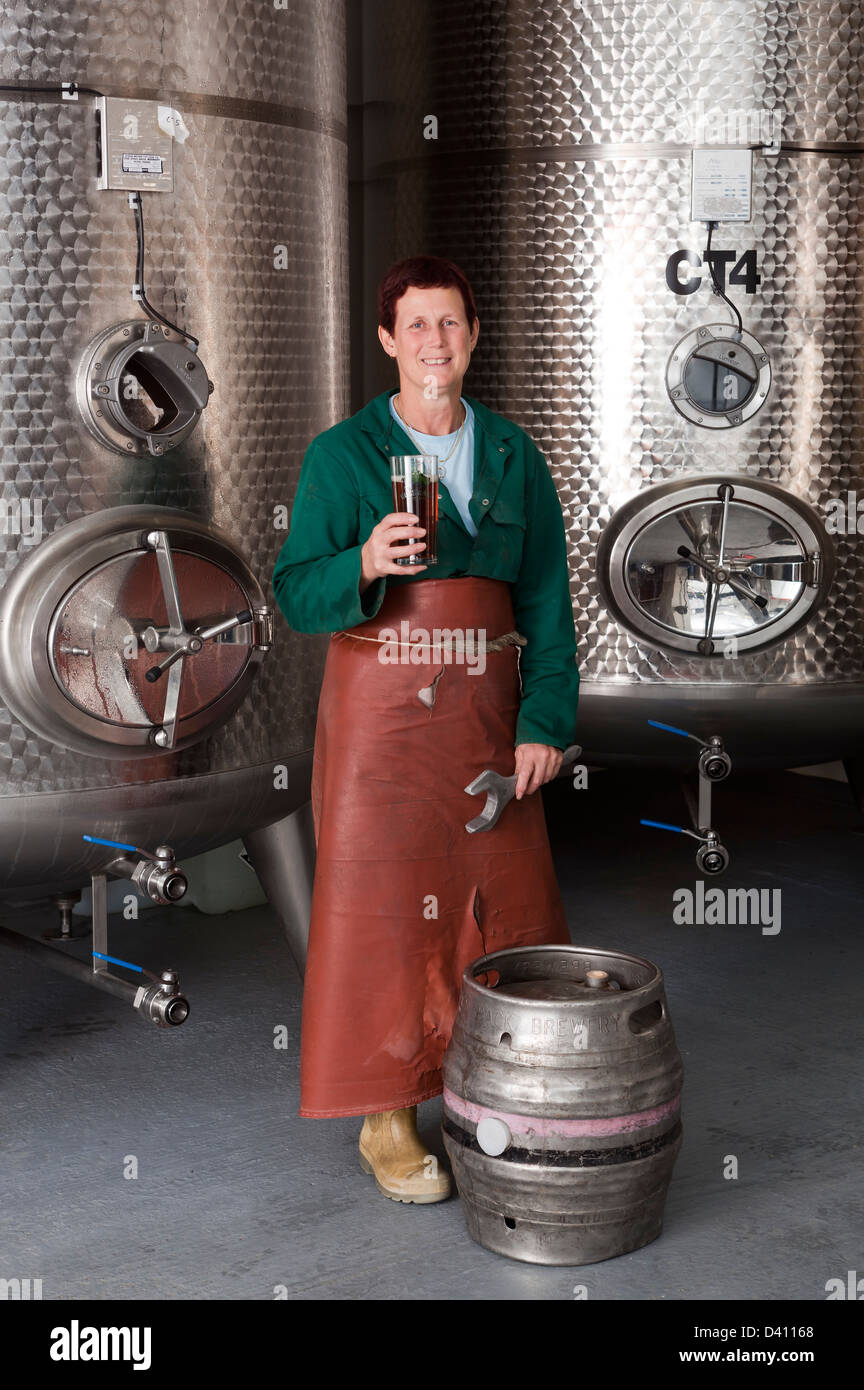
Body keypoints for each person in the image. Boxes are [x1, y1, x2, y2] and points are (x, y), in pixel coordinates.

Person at [271, 255, 579, 1204]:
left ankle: (494, 1087)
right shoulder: (342, 456)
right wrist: (363, 558)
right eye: (416, 327)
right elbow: (294, 594)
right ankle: (387, 1118)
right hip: (382, 722)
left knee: (503, 903)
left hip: (488, 717)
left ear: (473, 335)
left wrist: (545, 722)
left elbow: (548, 601)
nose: (434, 344)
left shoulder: (517, 457)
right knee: (387, 918)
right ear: (386, 340)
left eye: (450, 325)